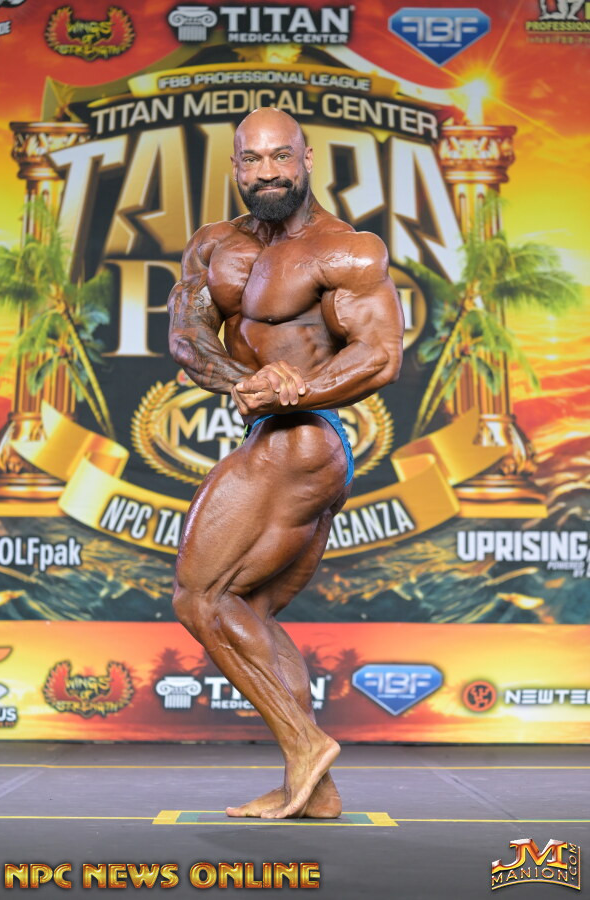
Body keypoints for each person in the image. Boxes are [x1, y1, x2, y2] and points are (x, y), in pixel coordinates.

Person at [168, 107, 404, 819]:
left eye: (280, 156)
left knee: (198, 598)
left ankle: (305, 744)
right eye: (252, 159)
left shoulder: (346, 251)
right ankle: (316, 791)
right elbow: (187, 336)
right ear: (235, 166)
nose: (267, 171)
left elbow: (380, 355)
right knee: (250, 610)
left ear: (306, 159)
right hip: (273, 437)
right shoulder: (214, 245)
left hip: (301, 439)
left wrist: (295, 388)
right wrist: (240, 381)